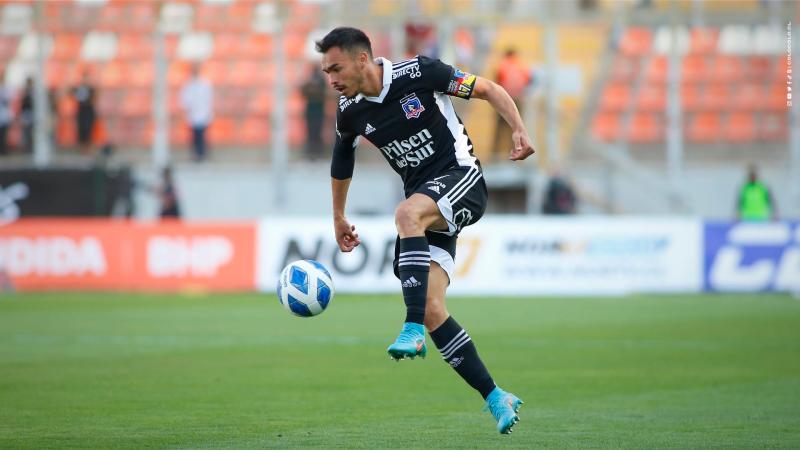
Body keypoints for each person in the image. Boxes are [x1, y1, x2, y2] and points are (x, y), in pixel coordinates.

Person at [316, 27, 535, 434]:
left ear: (361, 58)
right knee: (434, 308)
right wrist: (338, 216)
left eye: (335, 68)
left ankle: (411, 327)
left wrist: (519, 128)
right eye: (326, 71)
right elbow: (341, 159)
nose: (330, 78)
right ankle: (495, 396)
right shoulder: (351, 111)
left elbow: (487, 88)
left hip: (462, 178)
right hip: (428, 205)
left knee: (405, 215)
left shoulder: (420, 72)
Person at [490, 48, 530, 162]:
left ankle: (496, 155)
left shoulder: (502, 65)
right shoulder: (521, 65)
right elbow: (527, 80)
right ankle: (515, 154)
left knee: (499, 128)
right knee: (517, 128)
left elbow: (496, 82)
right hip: (517, 99)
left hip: (503, 100)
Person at [180, 64, 213, 162]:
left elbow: (208, 99)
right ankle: (196, 155)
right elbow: (185, 100)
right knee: (194, 136)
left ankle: (202, 154)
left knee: (201, 135)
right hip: (193, 114)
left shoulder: (205, 84)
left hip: (203, 113)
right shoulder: (188, 84)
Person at [301, 66, 327, 160]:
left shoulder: (320, 80)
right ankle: (311, 154)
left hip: (318, 110)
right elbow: (303, 91)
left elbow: (322, 92)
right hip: (311, 110)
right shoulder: (309, 81)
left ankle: (317, 153)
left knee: (316, 131)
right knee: (311, 132)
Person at [72, 70, 97, 155]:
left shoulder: (91, 89)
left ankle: (88, 150)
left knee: (88, 129)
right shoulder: (79, 88)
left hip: (88, 110)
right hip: (81, 110)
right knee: (81, 129)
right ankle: (82, 150)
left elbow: (94, 99)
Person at [0, 68, 13, 155]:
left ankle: (4, 150)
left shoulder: (6, 88)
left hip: (4, 115)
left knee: (4, 134)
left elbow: (9, 99)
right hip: (2, 114)